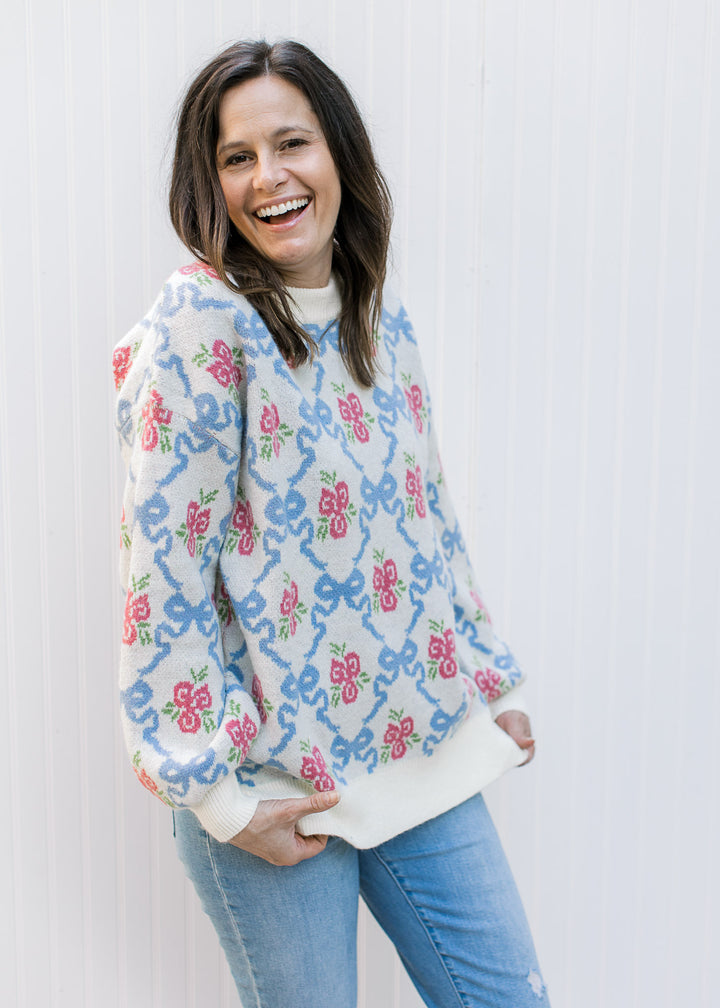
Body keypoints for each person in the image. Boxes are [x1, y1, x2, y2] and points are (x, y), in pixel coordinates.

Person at [113, 39, 550, 1008]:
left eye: (292, 143)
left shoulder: (374, 314)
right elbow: (162, 579)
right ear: (209, 179)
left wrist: (485, 675)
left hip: (414, 750)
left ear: (339, 155)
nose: (268, 177)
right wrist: (222, 798)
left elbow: (424, 517)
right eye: (236, 157)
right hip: (276, 782)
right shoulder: (198, 326)